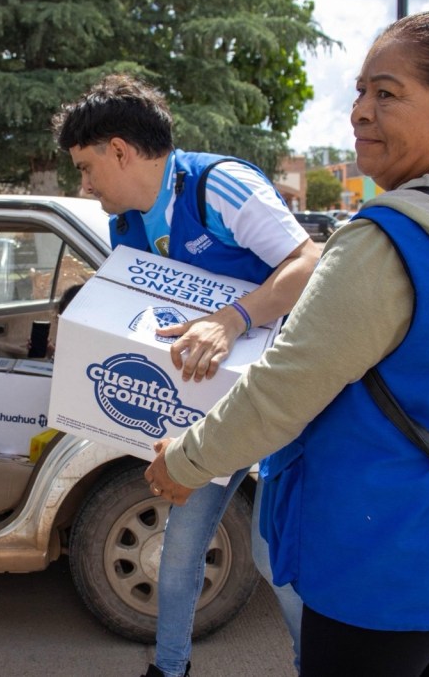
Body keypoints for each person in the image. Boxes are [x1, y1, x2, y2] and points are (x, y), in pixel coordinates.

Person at [145, 9, 429, 676]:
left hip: (378, 566)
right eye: (360, 91)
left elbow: (284, 390)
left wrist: (185, 462)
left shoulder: (388, 238)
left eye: (387, 93)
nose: (360, 111)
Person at [53, 74, 320, 677]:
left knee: (270, 554)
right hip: (208, 411)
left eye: (87, 168)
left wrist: (232, 320)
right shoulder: (126, 226)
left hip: (281, 401)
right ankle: (169, 669)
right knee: (177, 551)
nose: (84, 185)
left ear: (120, 150)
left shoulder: (218, 186)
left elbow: (309, 262)